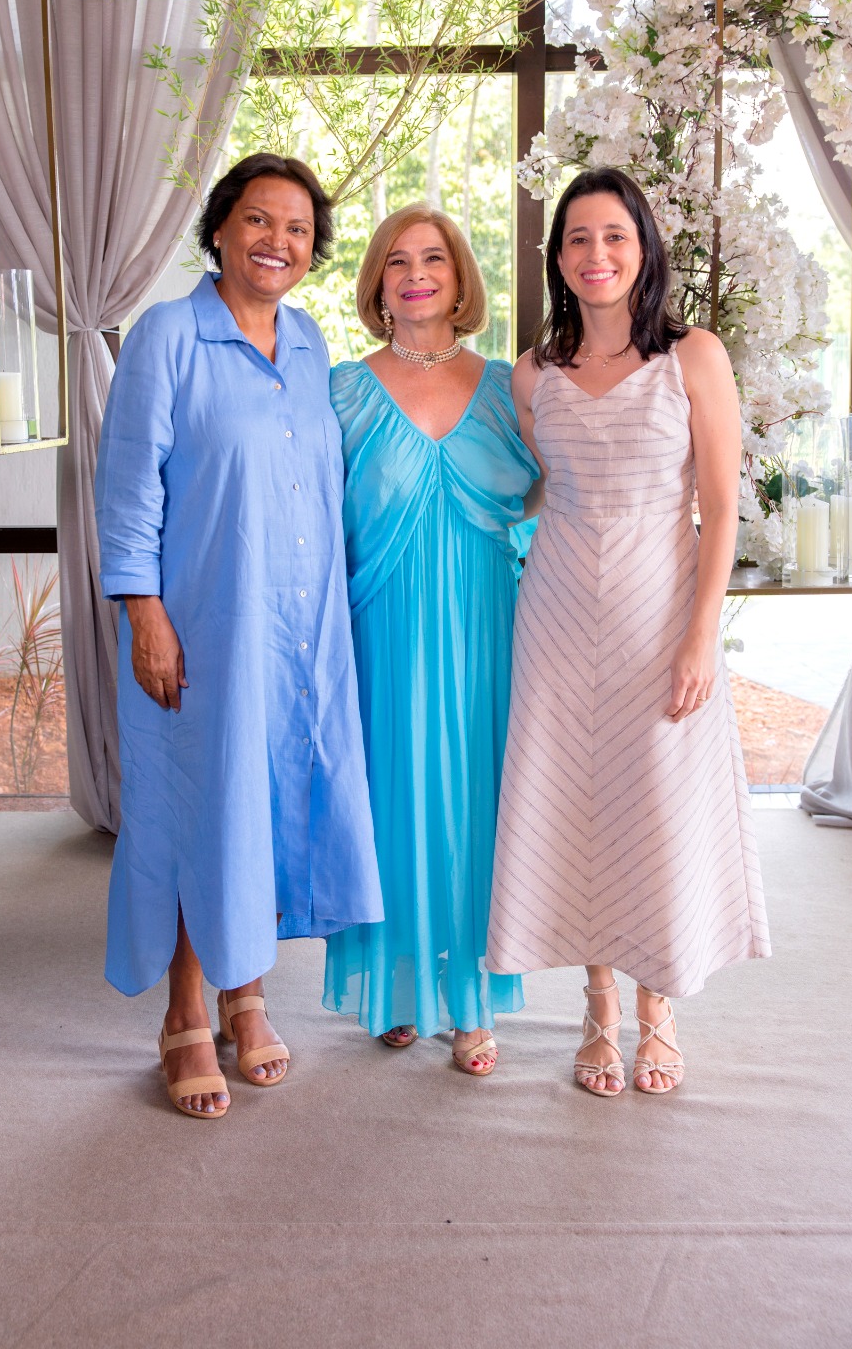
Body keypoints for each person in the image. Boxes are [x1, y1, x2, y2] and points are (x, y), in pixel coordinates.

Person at [95, 153, 383, 1119]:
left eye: (298, 229)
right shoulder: (167, 337)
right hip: (201, 623)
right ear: (220, 228)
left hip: (296, 627)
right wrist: (144, 613)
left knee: (262, 804)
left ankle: (246, 996)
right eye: (259, 220)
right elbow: (128, 488)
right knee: (199, 808)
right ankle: (185, 1012)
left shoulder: (308, 343)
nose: (277, 242)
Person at [486, 166, 771, 1097]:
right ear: (558, 258)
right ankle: (597, 1008)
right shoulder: (534, 373)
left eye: (614, 235)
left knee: (654, 805)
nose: (595, 254)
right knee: (575, 804)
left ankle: (659, 1010)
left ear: (643, 249)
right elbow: (542, 490)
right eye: (577, 238)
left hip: (662, 611)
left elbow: (721, 510)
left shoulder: (695, 358)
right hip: (558, 616)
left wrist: (700, 637)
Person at [323, 205, 539, 1074]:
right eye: (398, 261)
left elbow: (562, 492)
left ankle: (470, 998)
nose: (416, 275)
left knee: (475, 805)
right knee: (392, 800)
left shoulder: (510, 387)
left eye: (434, 260)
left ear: (459, 280)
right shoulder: (342, 389)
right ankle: (398, 985)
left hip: (486, 625)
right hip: (384, 625)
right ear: (378, 282)